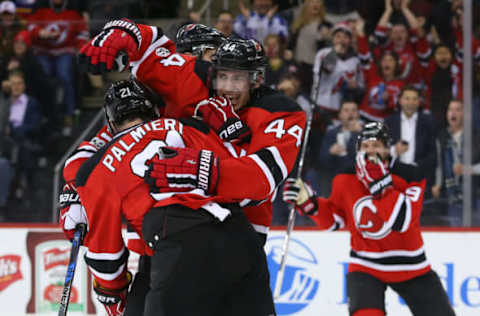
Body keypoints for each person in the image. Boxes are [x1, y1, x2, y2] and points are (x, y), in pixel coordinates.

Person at [78, 20, 306, 241]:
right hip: (166, 221)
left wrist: (204, 170)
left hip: (237, 229)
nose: (227, 87)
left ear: (257, 78)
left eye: (239, 77)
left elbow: (261, 182)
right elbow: (112, 148)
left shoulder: (280, 112)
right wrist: (123, 31)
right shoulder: (194, 76)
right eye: (222, 74)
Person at [67, 79, 276, 316]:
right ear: (156, 111)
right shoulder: (188, 127)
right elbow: (253, 187)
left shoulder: (95, 169)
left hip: (178, 246)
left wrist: (113, 299)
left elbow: (106, 259)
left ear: (111, 124)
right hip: (239, 237)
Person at [282, 122, 456, 316]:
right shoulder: (345, 178)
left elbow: (401, 222)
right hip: (366, 265)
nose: (371, 151)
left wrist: (379, 183)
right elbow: (334, 222)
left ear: (388, 149)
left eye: (376, 145)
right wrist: (310, 204)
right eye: (365, 146)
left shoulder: (410, 175)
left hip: (411, 266)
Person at [384, 85, 437, 198]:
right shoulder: (389, 122)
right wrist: (394, 150)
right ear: (400, 100)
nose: (410, 102)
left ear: (419, 102)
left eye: (414, 99)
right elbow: (380, 151)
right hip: (395, 176)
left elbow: (433, 154)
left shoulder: (429, 122)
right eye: (407, 98)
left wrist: (419, 169)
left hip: (419, 175)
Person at [311, 21, 362, 115]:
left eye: (345, 37)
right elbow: (325, 71)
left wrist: (355, 87)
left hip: (341, 109)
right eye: (338, 36)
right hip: (319, 104)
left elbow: (361, 86)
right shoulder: (323, 53)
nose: (341, 40)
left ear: (350, 41)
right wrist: (334, 54)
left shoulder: (355, 61)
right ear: (333, 39)